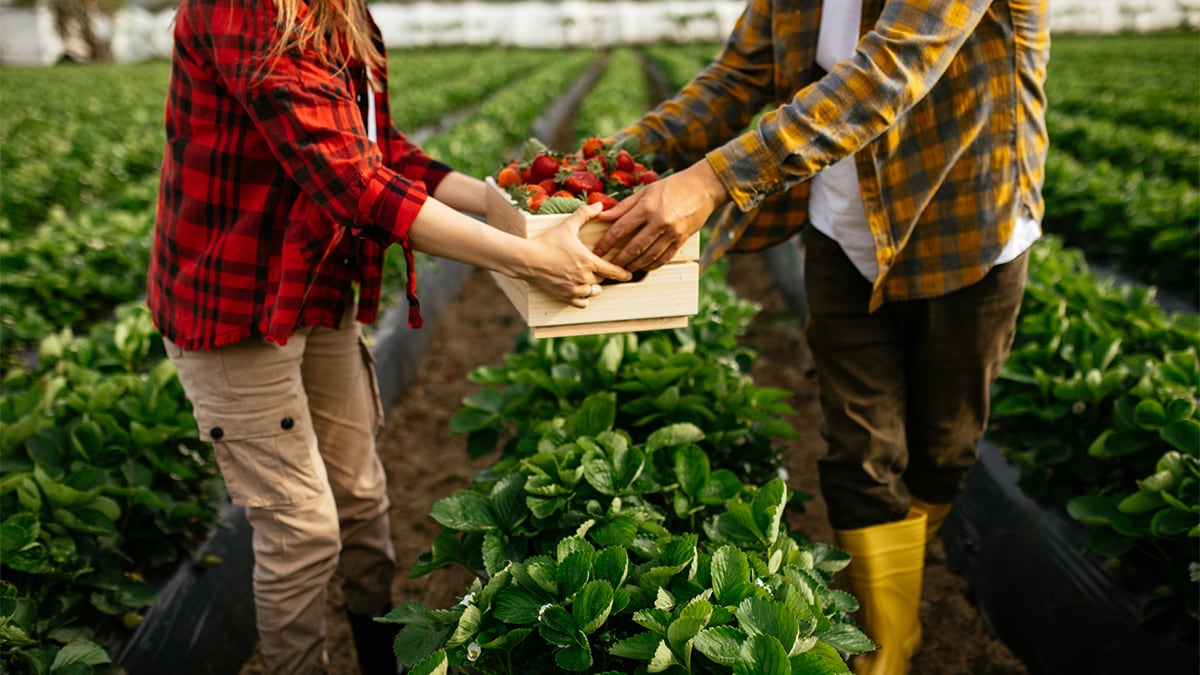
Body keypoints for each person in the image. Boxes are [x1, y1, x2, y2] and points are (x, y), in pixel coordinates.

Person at [145, 0, 630, 672]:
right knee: (302, 532)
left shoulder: (345, 17)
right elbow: (355, 184)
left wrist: (512, 203)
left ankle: (379, 654)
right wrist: (526, 257)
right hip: (237, 304)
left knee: (363, 497)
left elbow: (383, 153)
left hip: (315, 286)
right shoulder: (248, 10)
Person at [592, 1, 1048, 673]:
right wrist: (599, 163)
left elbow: (887, 73)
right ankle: (887, 644)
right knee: (860, 450)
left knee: (945, 449)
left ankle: (909, 589)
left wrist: (712, 179)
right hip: (843, 233)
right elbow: (735, 78)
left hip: (967, 230)